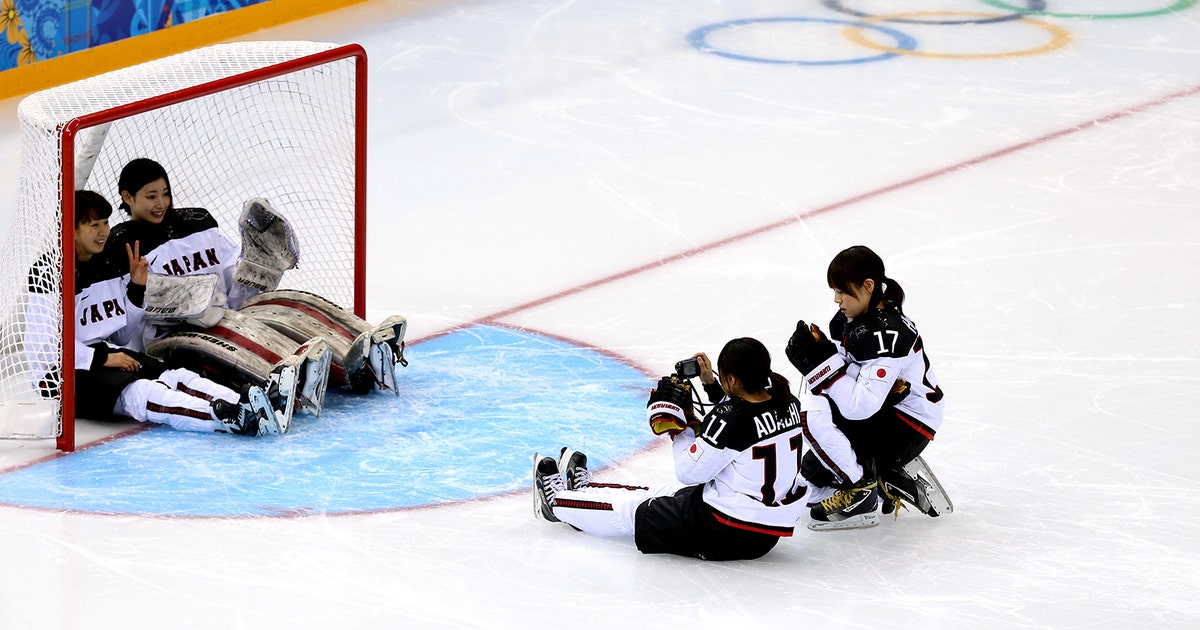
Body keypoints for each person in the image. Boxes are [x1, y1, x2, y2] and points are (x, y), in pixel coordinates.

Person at [531, 337, 873, 559]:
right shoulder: (784, 398)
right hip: (764, 529)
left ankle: (557, 504)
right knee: (659, 491)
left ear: (734, 380)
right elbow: (740, 418)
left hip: (725, 530)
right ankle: (585, 491)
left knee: (635, 512)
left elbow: (689, 470)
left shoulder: (733, 420)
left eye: (723, 377)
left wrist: (676, 426)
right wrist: (710, 385)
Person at [104, 157, 406, 399]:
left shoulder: (196, 223)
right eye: (151, 196)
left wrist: (255, 268)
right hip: (169, 340)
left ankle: (363, 348)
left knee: (286, 304)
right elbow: (122, 330)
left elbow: (234, 290)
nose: (161, 203)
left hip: (221, 314)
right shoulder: (121, 246)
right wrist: (143, 291)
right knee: (232, 327)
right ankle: (312, 378)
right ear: (127, 197)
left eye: (165, 194)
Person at [26, 190, 285, 436]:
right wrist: (102, 358)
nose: (103, 231)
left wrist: (136, 290)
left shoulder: (105, 265)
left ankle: (253, 403)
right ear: (71, 229)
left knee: (174, 375)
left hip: (100, 356)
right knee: (142, 392)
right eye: (93, 225)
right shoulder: (47, 272)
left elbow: (119, 335)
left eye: (105, 223)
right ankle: (230, 418)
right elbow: (44, 348)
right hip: (57, 376)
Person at [785, 245, 952, 525]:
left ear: (868, 286)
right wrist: (822, 358)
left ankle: (862, 488)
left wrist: (821, 367)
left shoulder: (887, 334)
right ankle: (882, 473)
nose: (837, 299)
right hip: (886, 412)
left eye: (842, 291)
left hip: (907, 426)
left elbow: (858, 407)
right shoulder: (848, 319)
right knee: (810, 487)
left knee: (810, 413)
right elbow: (847, 378)